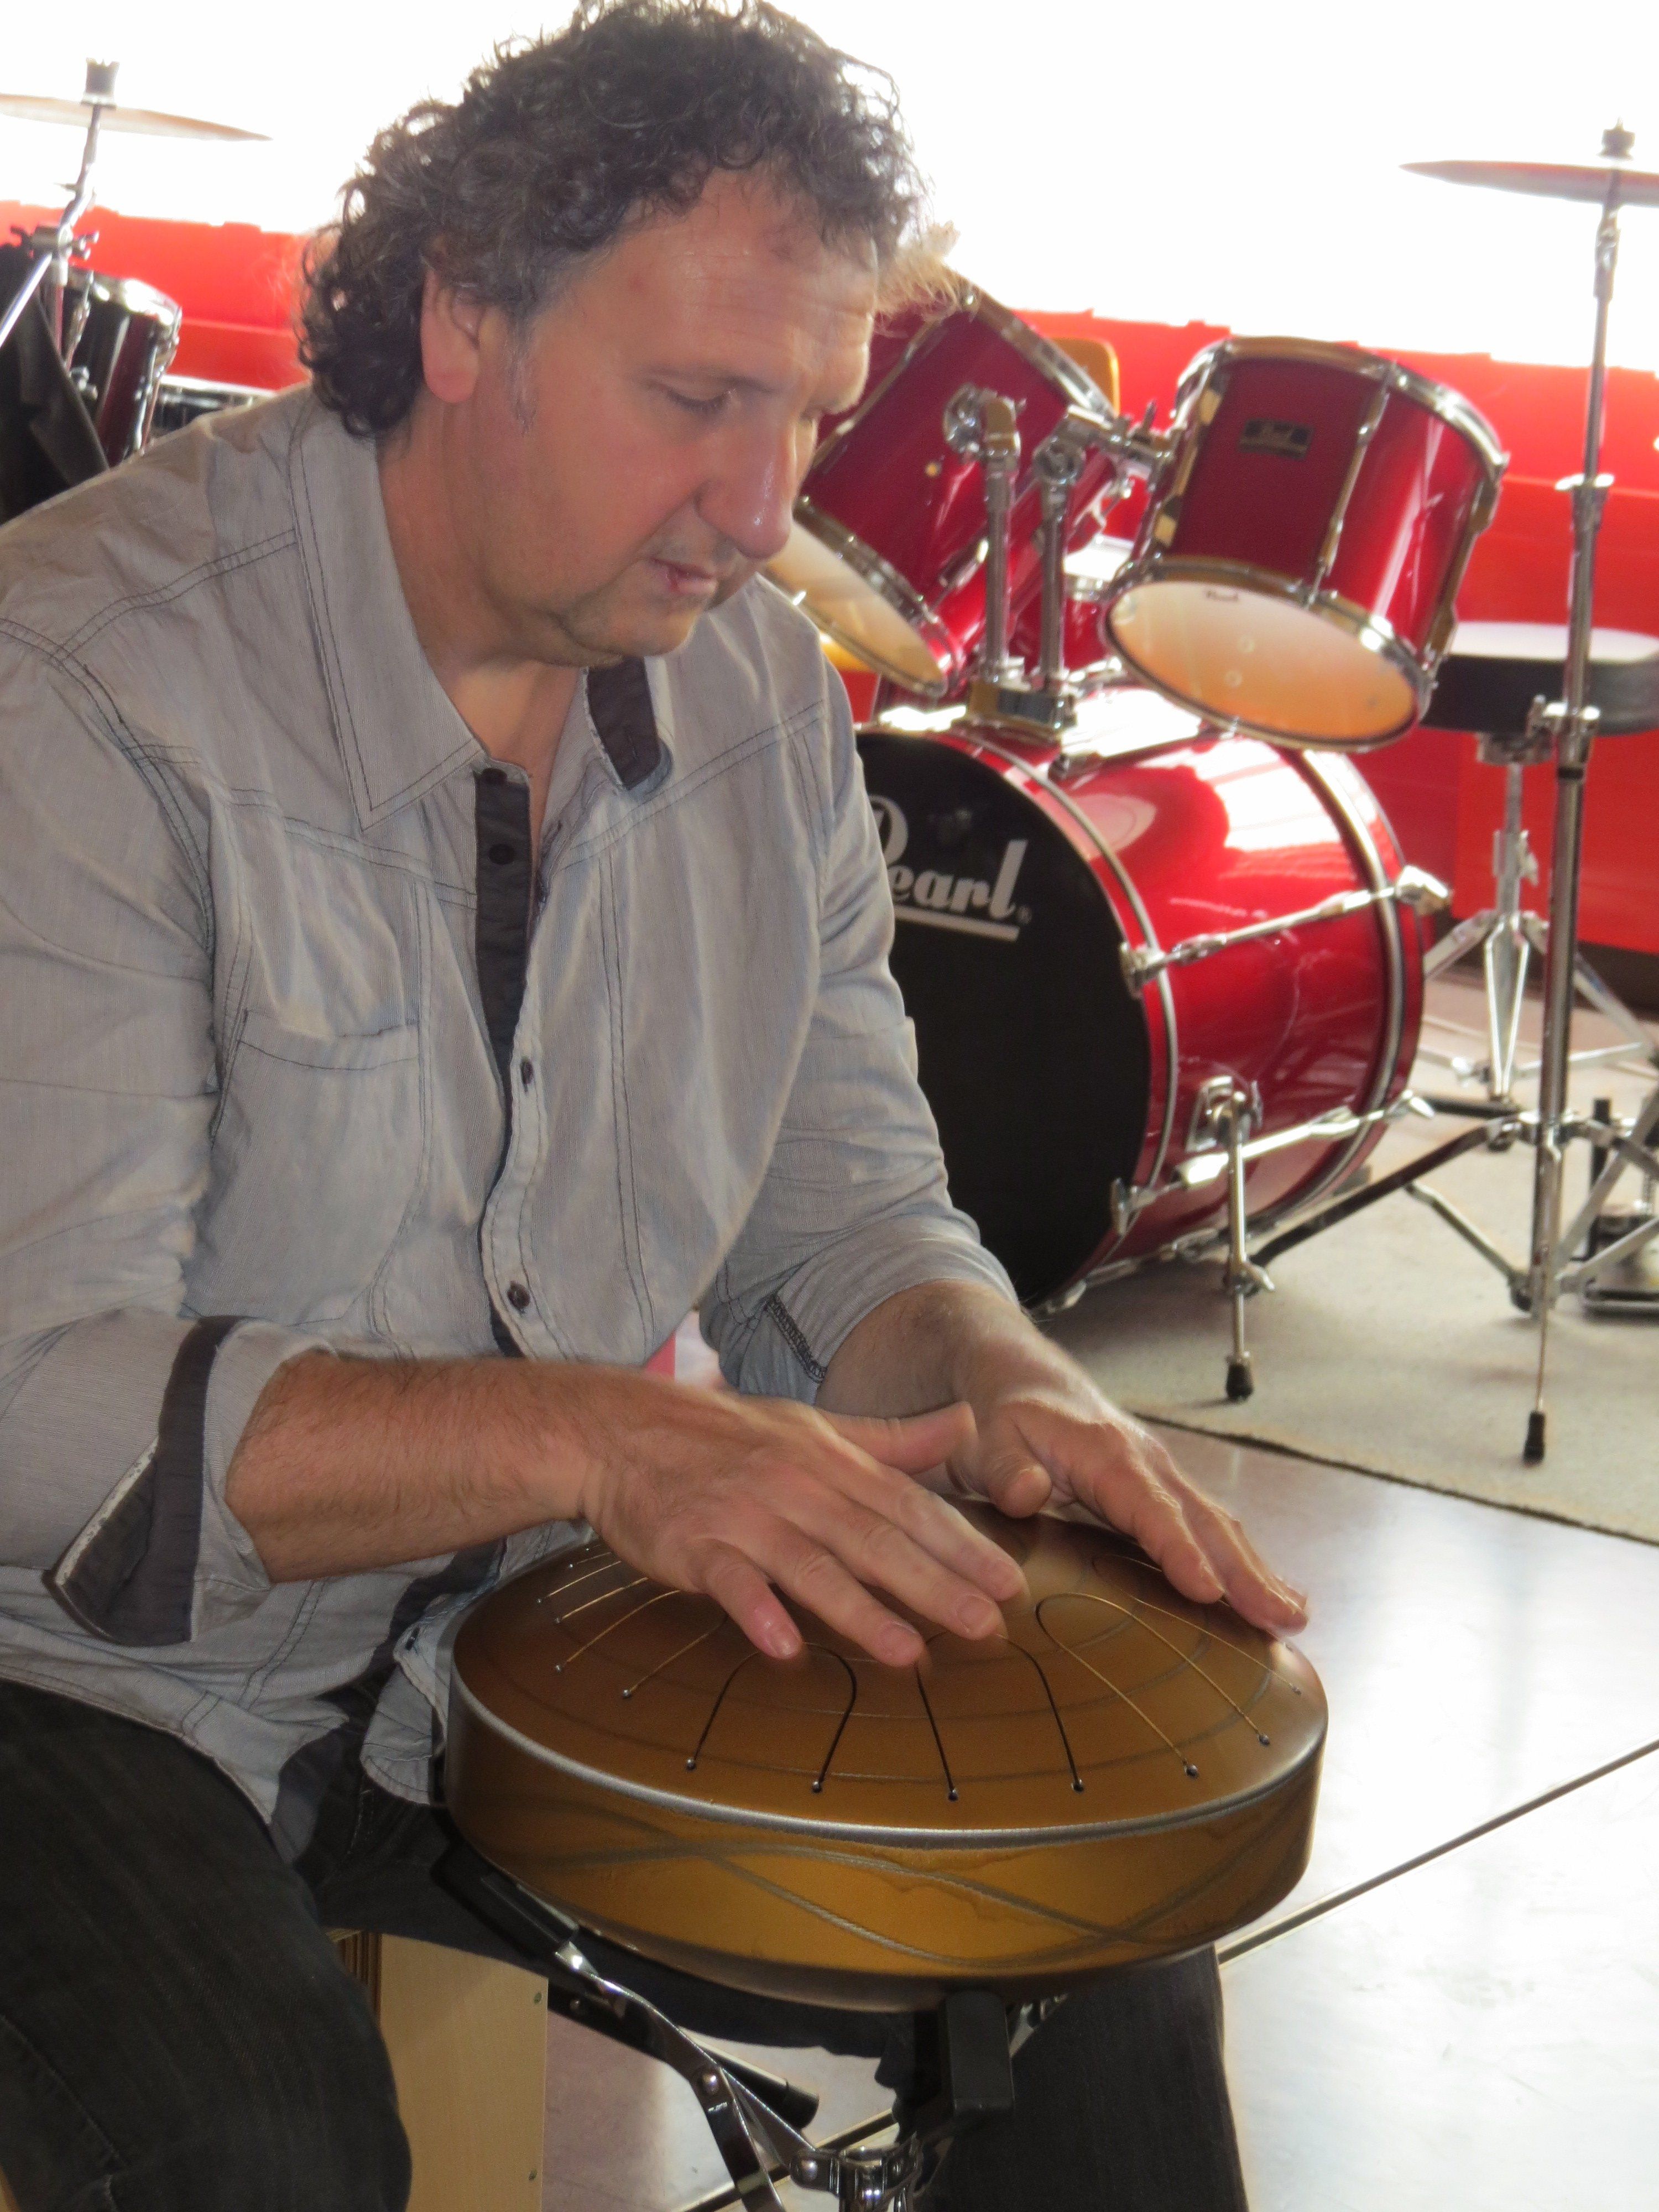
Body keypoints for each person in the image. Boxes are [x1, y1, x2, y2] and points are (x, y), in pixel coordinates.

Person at [0, 5, 1307, 2205]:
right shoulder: (80, 689)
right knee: (258, 2139)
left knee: (1092, 1941)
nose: (762, 508)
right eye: (696, 402)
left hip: (479, 1627)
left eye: (811, 416)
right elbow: (41, 1404)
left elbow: (848, 1225)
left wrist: (997, 1381)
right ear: (464, 319)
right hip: (70, 1673)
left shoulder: (760, 700)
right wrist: (606, 1441)